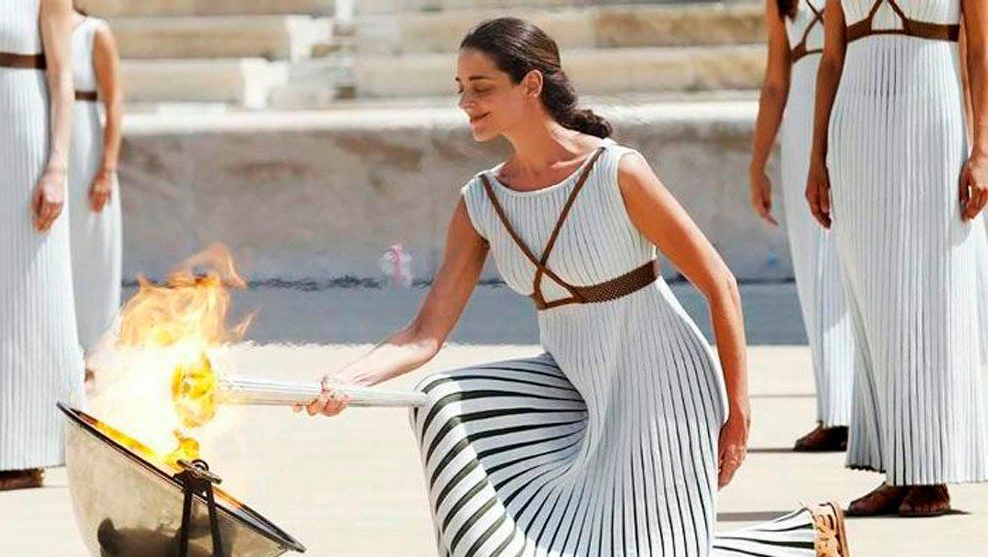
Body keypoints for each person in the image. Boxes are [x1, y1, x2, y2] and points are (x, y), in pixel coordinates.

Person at [304, 17, 850, 557]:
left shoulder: (617, 171)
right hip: (570, 385)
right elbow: (424, 334)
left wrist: (739, 411)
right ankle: (804, 541)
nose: (466, 102)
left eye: (481, 87)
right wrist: (349, 380)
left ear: (531, 84)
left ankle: (806, 541)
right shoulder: (480, 202)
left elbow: (720, 284)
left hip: (660, 385)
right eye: (460, 88)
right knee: (443, 404)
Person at [807, 0, 988, 517]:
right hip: (854, 131)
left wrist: (981, 150)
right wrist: (816, 157)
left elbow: (980, 50)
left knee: (930, 292)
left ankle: (932, 471)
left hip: (930, 120)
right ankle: (898, 464)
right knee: (874, 300)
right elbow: (831, 59)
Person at [750, 0, 855, 452]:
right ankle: (834, 409)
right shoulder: (780, 3)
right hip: (799, 131)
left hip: (850, 111)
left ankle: (857, 410)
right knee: (814, 270)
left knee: (852, 268)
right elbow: (776, 83)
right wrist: (758, 163)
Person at [0, 0, 85, 490]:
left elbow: (62, 79)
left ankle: (26, 448)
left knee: (29, 290)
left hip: (20, 138)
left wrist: (57, 165)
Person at [68, 1, 123, 384]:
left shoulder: (94, 32)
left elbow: (115, 102)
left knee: (91, 254)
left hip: (86, 159)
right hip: (44, 159)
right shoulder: (34, 33)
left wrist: (106, 169)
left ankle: (93, 352)